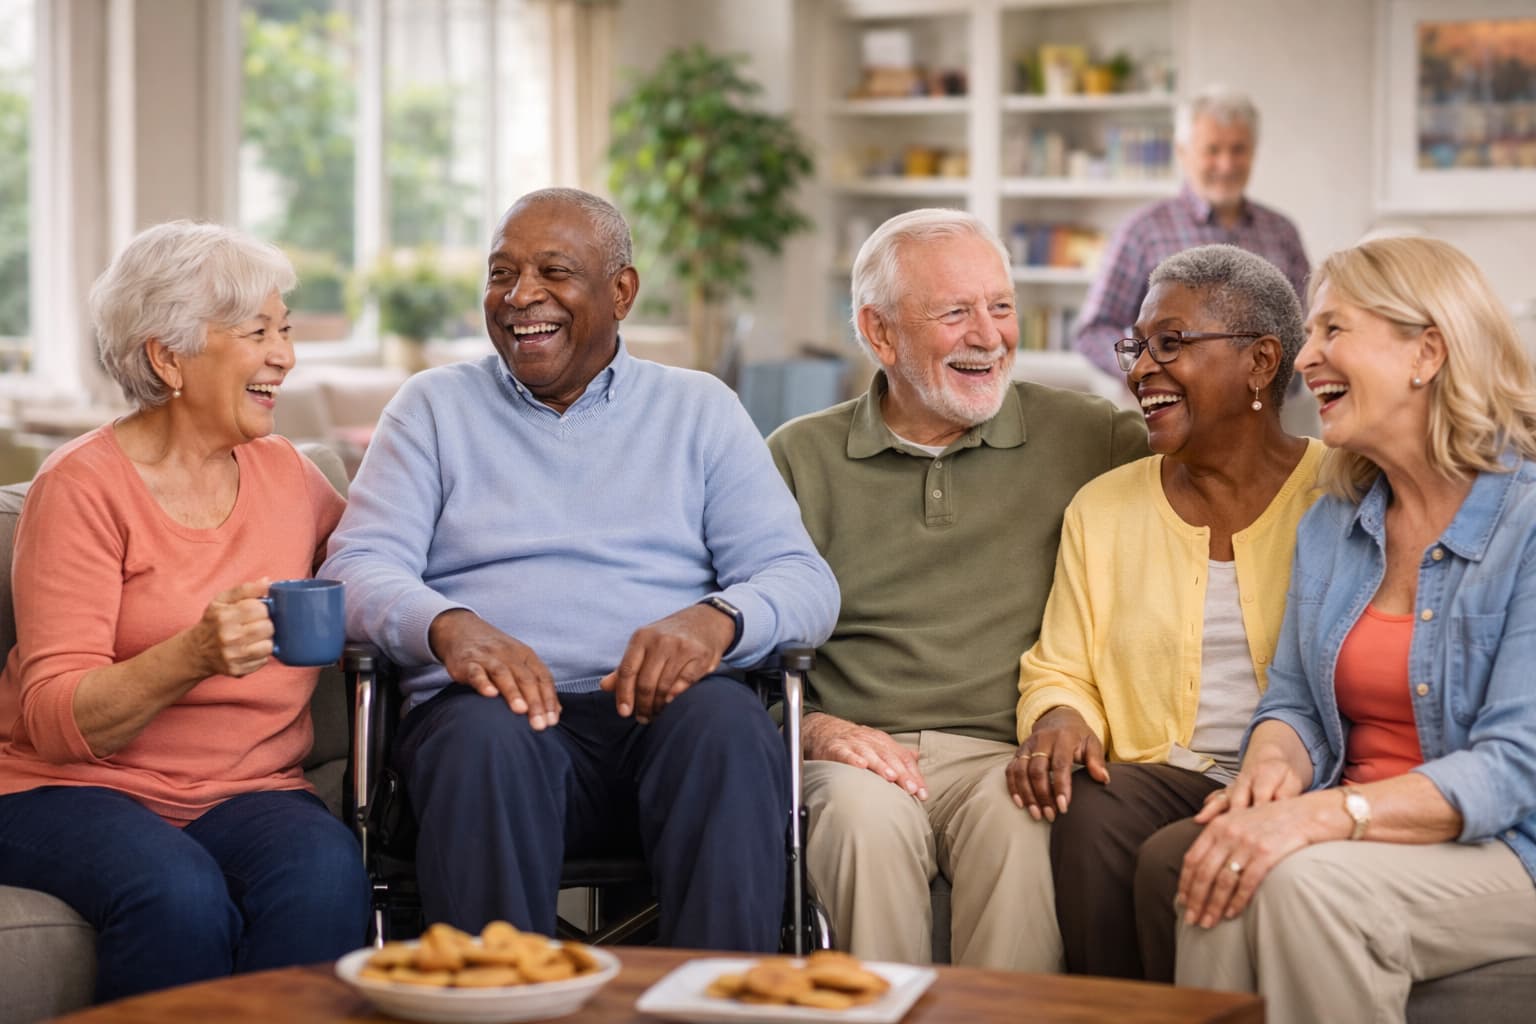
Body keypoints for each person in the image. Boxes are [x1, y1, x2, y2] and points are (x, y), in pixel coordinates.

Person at [321, 188, 839, 952]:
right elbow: (356, 566)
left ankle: (717, 1006)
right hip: (491, 727)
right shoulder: (431, 409)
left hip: (665, 726)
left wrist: (718, 620)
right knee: (484, 740)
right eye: (502, 274)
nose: (520, 296)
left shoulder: (701, 409)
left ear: (620, 291)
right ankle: (497, 1004)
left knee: (729, 726)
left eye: (553, 271)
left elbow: (802, 580)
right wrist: (446, 626)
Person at [1157, 236, 1536, 1023]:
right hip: (1365, 828)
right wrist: (1271, 760)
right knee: (1218, 873)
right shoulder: (1335, 520)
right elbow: (1294, 698)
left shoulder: (1526, 521)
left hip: (1507, 847)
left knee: (1301, 882)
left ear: (1425, 353)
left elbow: (1513, 768)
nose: (1304, 358)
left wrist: (1326, 815)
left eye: (1334, 330)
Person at [767, 208, 1148, 969]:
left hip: (1007, 751)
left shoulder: (1093, 437)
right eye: (955, 313)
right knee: (855, 824)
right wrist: (811, 732)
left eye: (1000, 307)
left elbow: (1216, 477)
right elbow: (745, 654)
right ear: (879, 334)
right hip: (859, 753)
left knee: (1029, 825)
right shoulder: (796, 459)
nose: (989, 335)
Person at [0, 221, 369, 1002]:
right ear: (167, 358)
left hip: (249, 790)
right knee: (177, 895)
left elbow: (375, 565)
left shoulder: (288, 475)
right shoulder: (81, 487)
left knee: (326, 874)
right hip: (65, 790)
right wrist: (193, 653)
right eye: (257, 332)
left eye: (287, 329)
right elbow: (55, 718)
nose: (285, 356)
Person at [1010, 244, 1323, 982]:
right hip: (1164, 772)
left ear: (1260, 361)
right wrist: (1060, 715)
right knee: (1086, 811)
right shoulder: (1104, 507)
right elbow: (1060, 667)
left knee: (1166, 859)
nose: (1141, 367)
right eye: (1138, 345)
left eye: (1171, 344)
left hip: (1302, 777)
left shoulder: (1341, 493)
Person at [1074, 87, 1309, 378]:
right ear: (1183, 153)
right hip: (1165, 411)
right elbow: (1092, 331)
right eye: (1212, 150)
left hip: (1266, 411)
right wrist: (1147, 368)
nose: (1226, 164)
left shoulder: (1282, 232)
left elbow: (1305, 327)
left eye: (1238, 149)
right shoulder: (1142, 231)